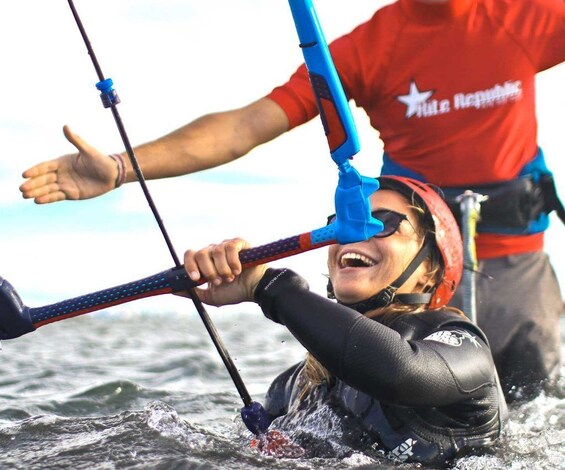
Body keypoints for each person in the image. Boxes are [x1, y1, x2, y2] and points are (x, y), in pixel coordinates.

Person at [19, 0, 565, 403]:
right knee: (364, 408)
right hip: (403, 270)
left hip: (516, 265)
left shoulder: (522, 17)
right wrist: (122, 166)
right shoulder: (370, 47)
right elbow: (250, 122)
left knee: (532, 413)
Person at [182, 175, 507, 466]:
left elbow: (399, 372)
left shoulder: (465, 347)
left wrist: (268, 287)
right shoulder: (290, 387)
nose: (352, 233)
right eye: (341, 223)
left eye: (381, 223)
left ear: (429, 271)